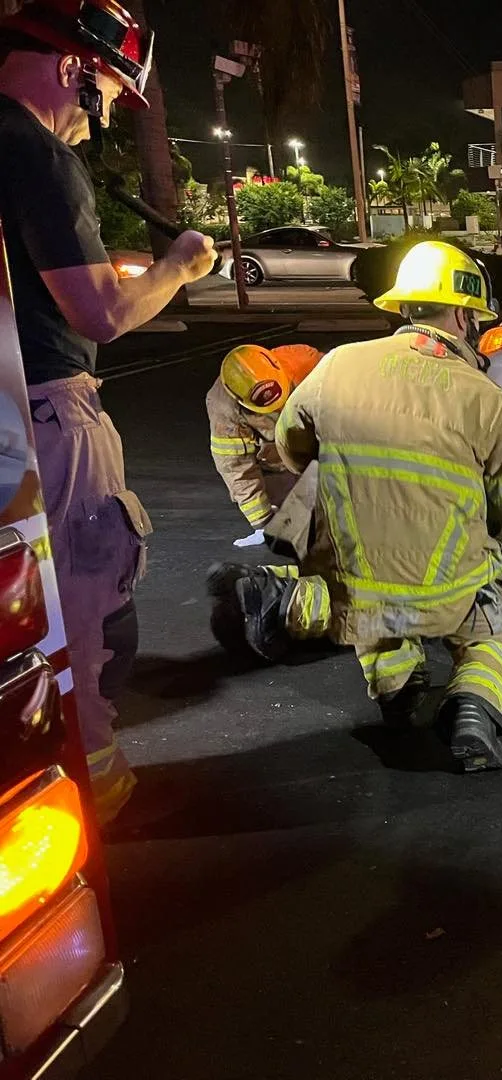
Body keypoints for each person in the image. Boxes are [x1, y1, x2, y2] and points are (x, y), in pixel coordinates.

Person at [219, 241, 502, 771]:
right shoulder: (483, 397)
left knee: (374, 607)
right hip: (448, 581)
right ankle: (472, 708)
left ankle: (397, 689)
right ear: (460, 313)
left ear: (404, 307)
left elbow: (294, 450)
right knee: (494, 629)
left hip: (358, 575)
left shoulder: (337, 365)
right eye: (473, 318)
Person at [0, 0, 216, 823]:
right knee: (83, 612)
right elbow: (100, 317)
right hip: (53, 414)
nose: (97, 126)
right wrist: (177, 267)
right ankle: (92, 796)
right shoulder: (36, 152)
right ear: (69, 71)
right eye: (103, 97)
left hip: (7, 412)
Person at [207, 342, 323, 546]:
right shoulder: (224, 407)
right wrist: (263, 523)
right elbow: (236, 467)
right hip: (282, 465)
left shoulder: (310, 363)